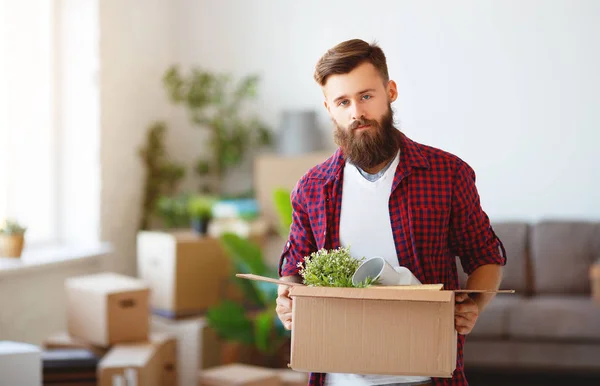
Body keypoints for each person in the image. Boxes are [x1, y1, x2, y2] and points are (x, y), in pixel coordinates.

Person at [275, 38, 507, 386]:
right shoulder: (312, 187)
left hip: (425, 373)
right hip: (339, 375)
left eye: (366, 96)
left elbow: (486, 257)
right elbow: (293, 268)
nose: (357, 112)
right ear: (329, 108)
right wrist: (286, 298)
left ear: (390, 91)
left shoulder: (448, 174)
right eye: (343, 101)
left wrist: (473, 303)